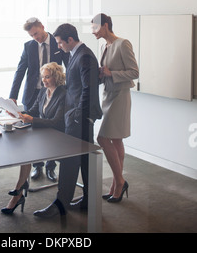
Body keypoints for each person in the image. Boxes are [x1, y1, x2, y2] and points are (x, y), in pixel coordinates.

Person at [33, 23, 102, 218]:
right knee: (85, 161)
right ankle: (88, 200)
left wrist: (78, 115)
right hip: (77, 116)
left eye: (60, 43)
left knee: (70, 161)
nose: (59, 47)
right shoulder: (75, 55)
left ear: (70, 40)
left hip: (79, 118)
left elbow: (89, 89)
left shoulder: (85, 55)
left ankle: (61, 203)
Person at [1, 62, 66, 215]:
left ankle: (18, 193)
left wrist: (31, 120)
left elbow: (57, 122)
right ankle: (18, 192)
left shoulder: (64, 93)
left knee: (26, 151)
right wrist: (18, 114)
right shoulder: (43, 92)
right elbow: (33, 111)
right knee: (24, 151)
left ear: (56, 77)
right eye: (43, 77)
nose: (44, 80)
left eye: (47, 77)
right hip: (44, 135)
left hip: (58, 138)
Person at [9, 17, 68, 182]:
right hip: (33, 93)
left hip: (54, 91)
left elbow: (68, 66)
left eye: (36, 33)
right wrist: (13, 96)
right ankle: (37, 166)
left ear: (42, 27)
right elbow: (20, 71)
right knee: (33, 130)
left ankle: (50, 168)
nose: (35, 38)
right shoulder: (29, 46)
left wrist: (68, 91)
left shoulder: (58, 43)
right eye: (32, 36)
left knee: (52, 130)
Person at [91, 13, 139, 203]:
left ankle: (119, 181)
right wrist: (102, 75)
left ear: (105, 25)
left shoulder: (122, 43)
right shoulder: (103, 46)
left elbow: (134, 72)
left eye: (95, 27)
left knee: (102, 138)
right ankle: (115, 183)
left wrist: (111, 73)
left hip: (120, 96)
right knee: (116, 140)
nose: (93, 31)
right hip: (108, 95)